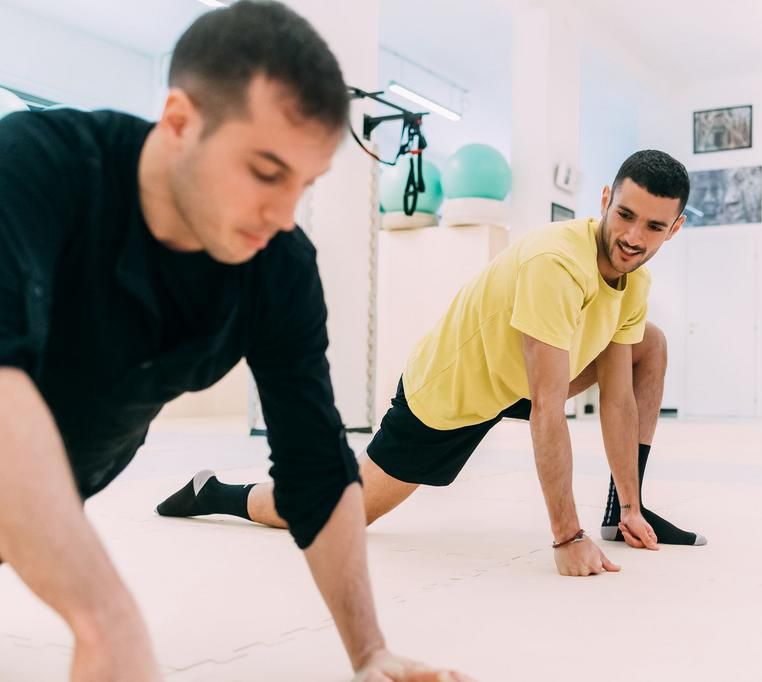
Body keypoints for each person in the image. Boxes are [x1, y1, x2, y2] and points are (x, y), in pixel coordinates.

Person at [0, 2, 470, 680]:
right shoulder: (39, 166)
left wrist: (370, 652)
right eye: (266, 172)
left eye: (305, 185)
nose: (283, 215)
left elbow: (315, 467)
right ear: (181, 121)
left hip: (58, 482)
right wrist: (105, 616)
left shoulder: (277, 266)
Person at [160, 149, 707, 578]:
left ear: (675, 228)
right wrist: (566, 538)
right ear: (607, 199)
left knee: (648, 345)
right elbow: (547, 409)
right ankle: (215, 494)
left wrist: (631, 504)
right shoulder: (555, 263)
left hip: (522, 376)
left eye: (654, 227)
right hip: (454, 391)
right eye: (625, 215)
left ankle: (624, 512)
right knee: (344, 514)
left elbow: (616, 396)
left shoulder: (635, 280)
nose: (633, 238)